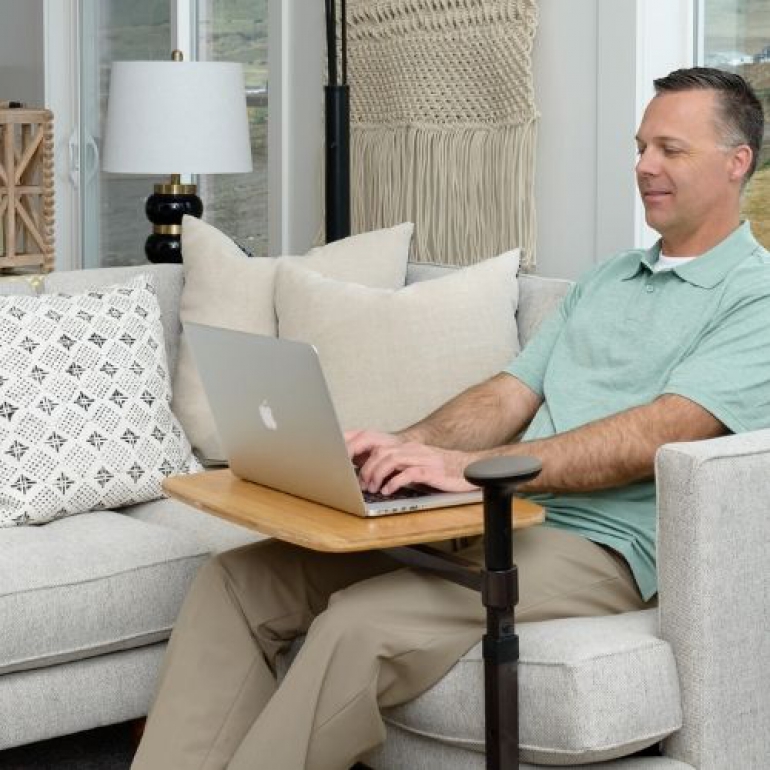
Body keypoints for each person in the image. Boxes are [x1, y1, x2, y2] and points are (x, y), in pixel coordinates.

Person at [132, 67, 770, 770]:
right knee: (236, 581)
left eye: (670, 149)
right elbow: (509, 393)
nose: (645, 165)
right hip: (494, 511)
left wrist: (470, 469)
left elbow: (658, 434)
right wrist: (406, 445)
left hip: (602, 547)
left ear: (735, 162)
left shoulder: (756, 298)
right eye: (641, 146)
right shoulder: (609, 278)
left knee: (357, 626)